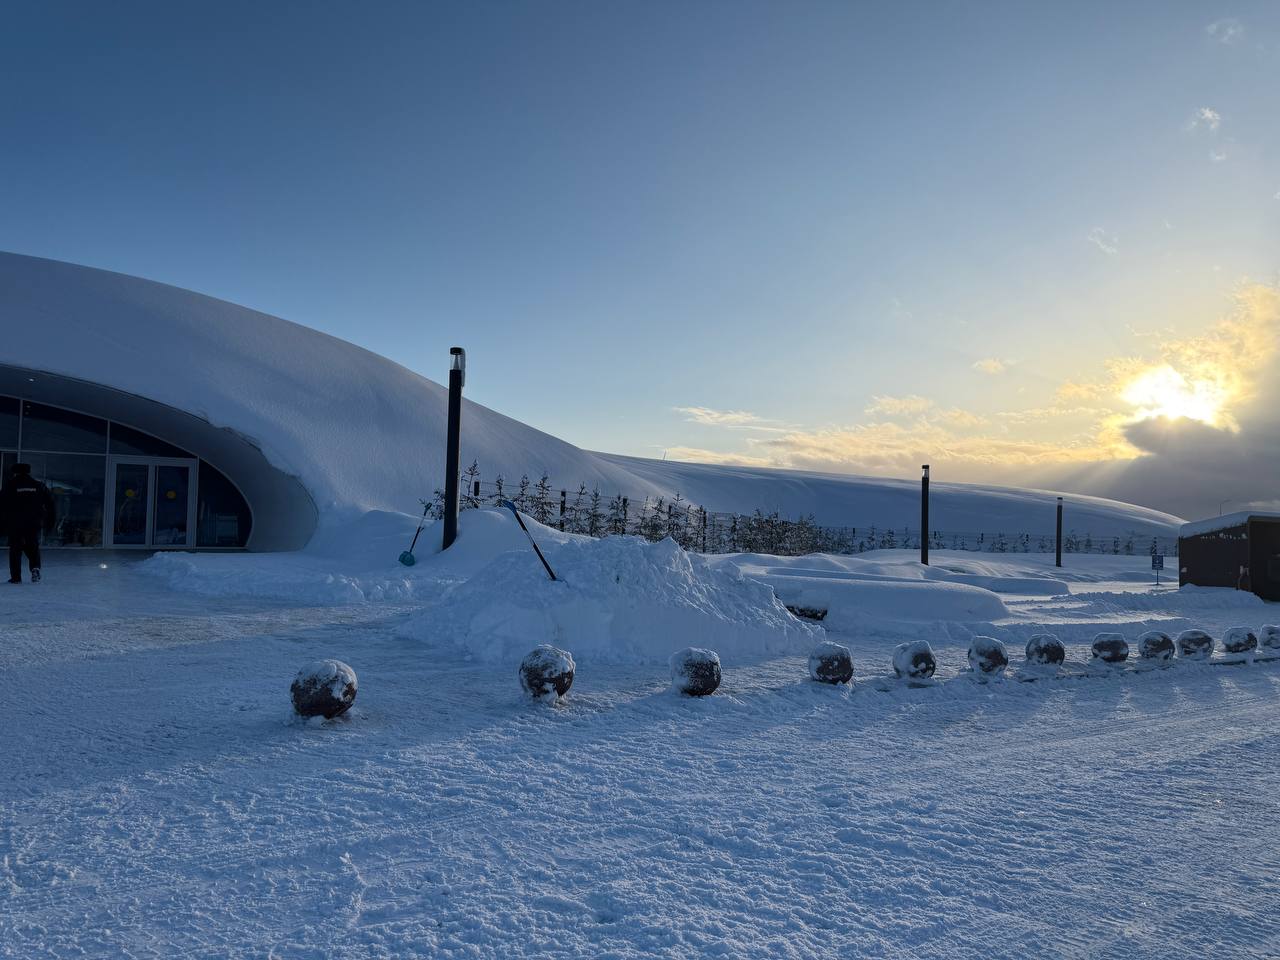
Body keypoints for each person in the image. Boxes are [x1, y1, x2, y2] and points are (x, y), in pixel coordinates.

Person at [1, 463, 55, 584]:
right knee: (32, 544)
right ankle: (35, 568)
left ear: (15, 472)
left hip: (15, 522)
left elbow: (2, 504)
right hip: (33, 522)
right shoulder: (38, 485)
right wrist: (49, 521)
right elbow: (50, 503)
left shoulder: (10, 485)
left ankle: (16, 577)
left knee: (15, 548)